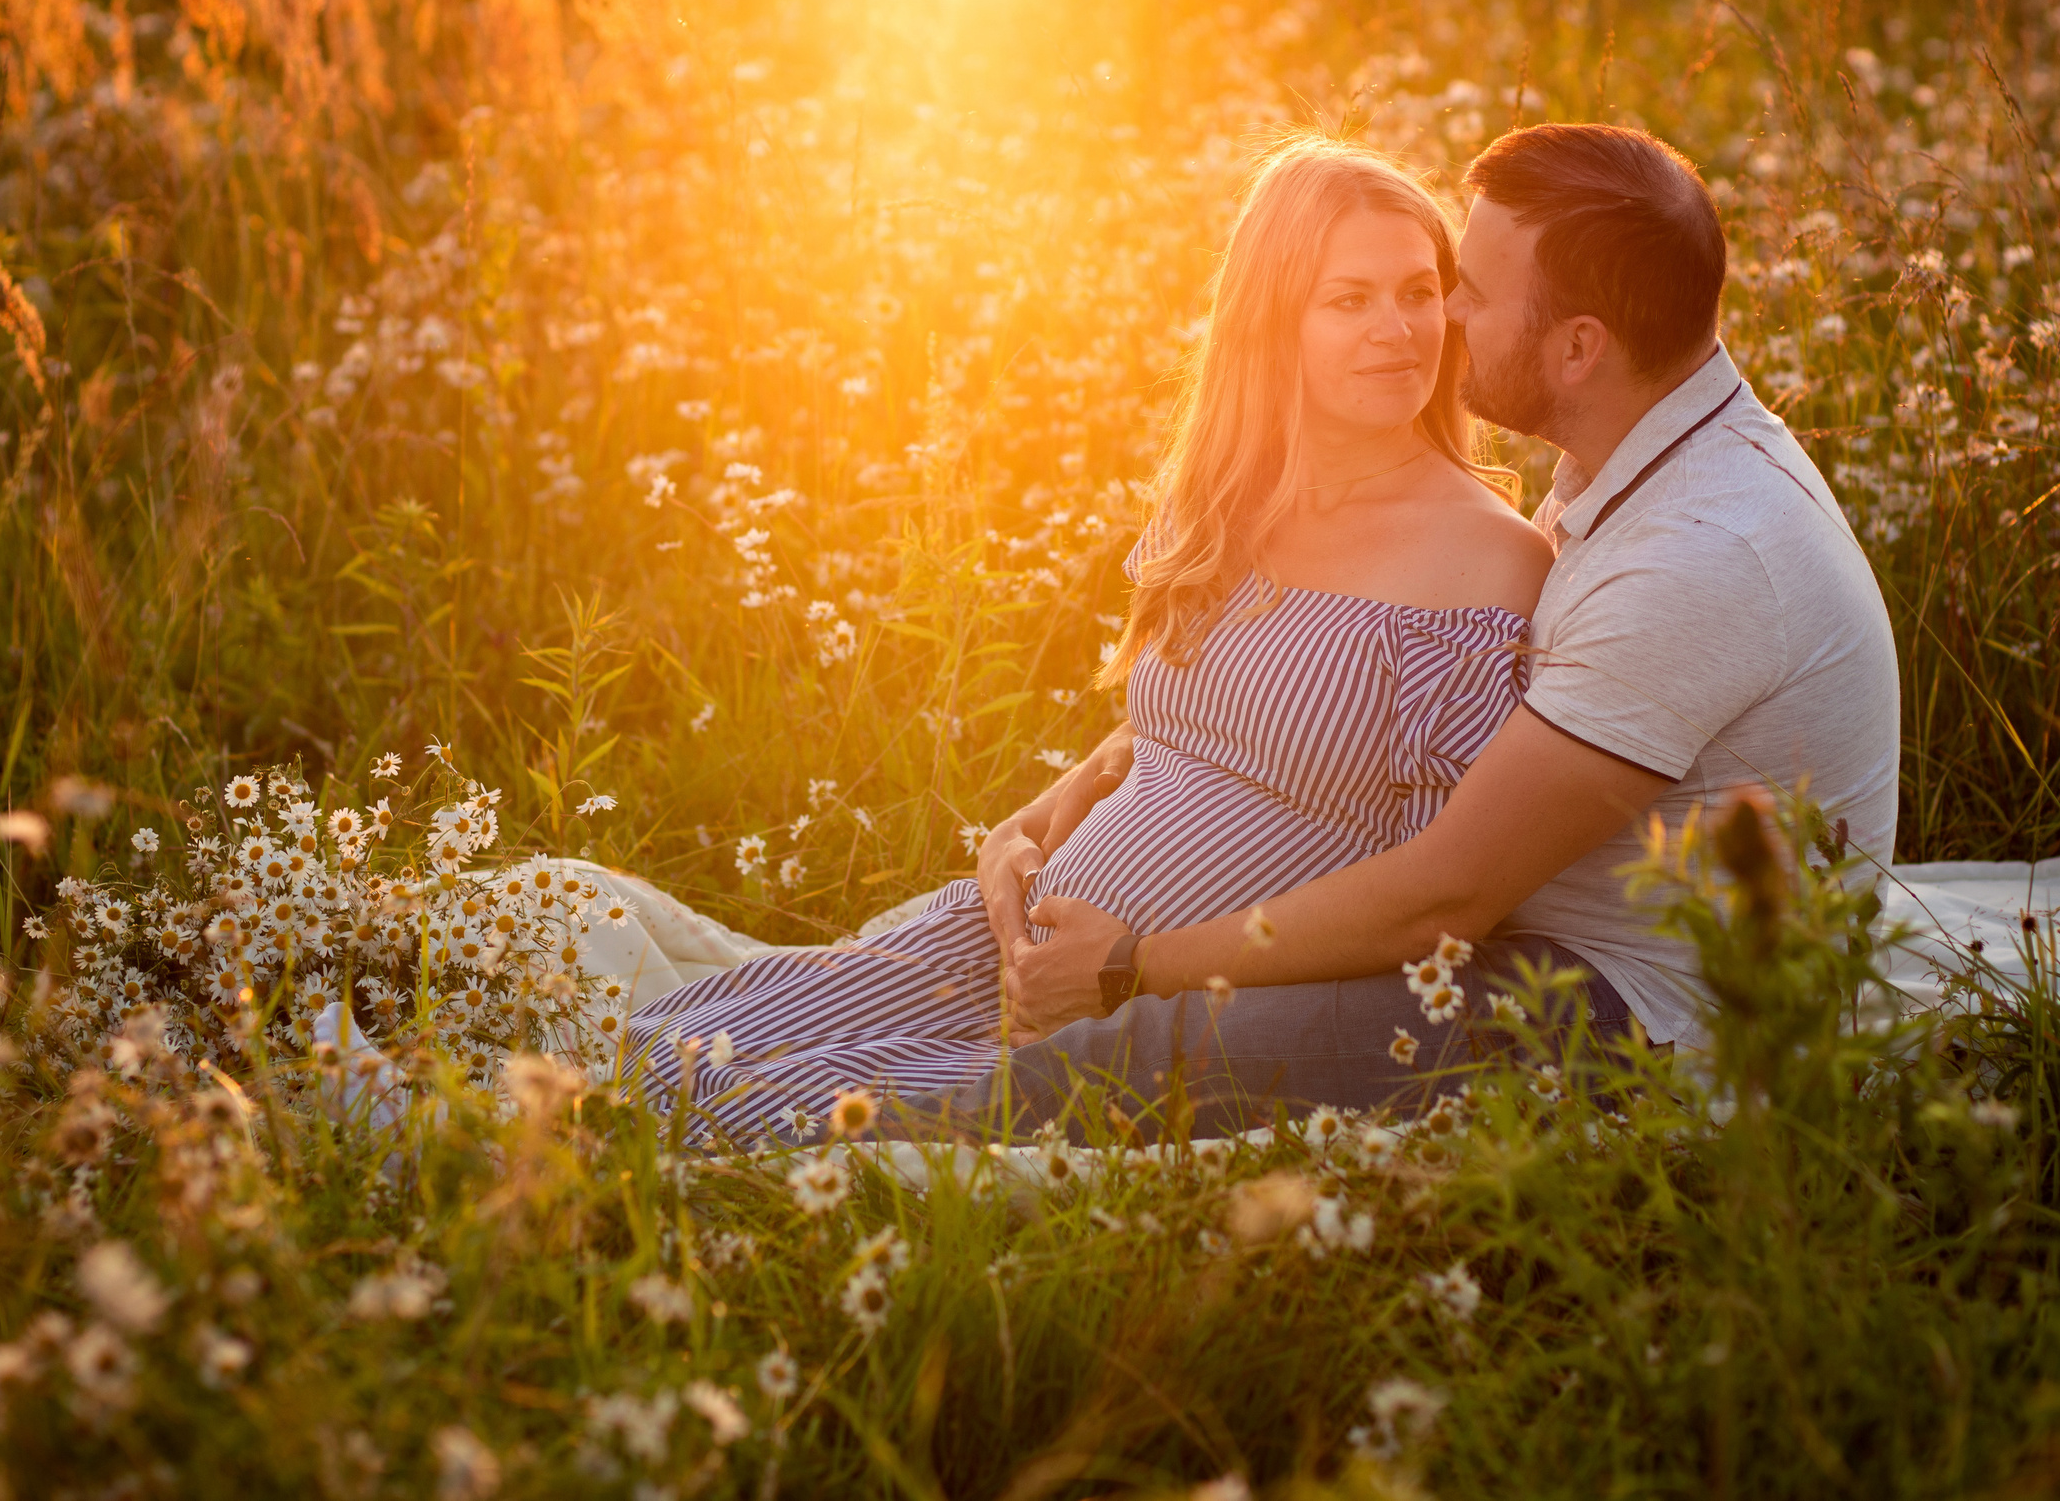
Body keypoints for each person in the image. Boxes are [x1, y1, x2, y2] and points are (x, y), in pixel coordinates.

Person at [947, 120, 1901, 1139]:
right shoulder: (1645, 457)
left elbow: (1443, 898)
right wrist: (1118, 770)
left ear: (1579, 347)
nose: (1439, 317)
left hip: (1636, 1011)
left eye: (1467, 292)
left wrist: (1129, 965)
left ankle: (839, 1155)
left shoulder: (1701, 554)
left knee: (1133, 1060)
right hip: (1541, 948)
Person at [616, 135, 1551, 1143]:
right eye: (1349, 299)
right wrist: (1017, 834)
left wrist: (1129, 966)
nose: (1397, 330)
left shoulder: (1484, 560)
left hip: (1156, 1017)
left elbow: (1425, 888)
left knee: (755, 1125)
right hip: (1015, 948)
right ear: (1271, 322)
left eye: (1419, 292)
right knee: (653, 1057)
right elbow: (1181, 735)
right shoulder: (1225, 507)